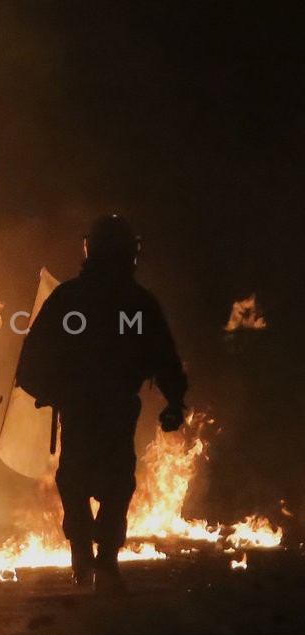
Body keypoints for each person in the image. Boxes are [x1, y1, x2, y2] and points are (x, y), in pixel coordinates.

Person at [17, 214, 187, 593]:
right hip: (113, 407)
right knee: (115, 481)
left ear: (89, 248)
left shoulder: (69, 299)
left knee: (76, 478)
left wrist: (46, 390)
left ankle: (89, 555)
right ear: (131, 253)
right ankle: (103, 558)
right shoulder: (138, 304)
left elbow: (31, 361)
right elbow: (166, 359)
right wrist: (175, 401)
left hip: (81, 406)